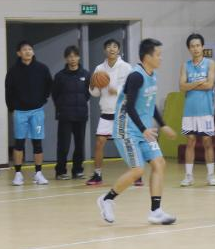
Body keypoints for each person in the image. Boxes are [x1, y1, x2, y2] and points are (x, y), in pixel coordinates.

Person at [97, 38, 177, 225]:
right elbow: (129, 106)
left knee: (159, 163)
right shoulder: (136, 76)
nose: (161, 58)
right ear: (147, 57)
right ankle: (107, 199)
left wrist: (163, 124)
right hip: (126, 130)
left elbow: (150, 103)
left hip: (143, 130)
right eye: (158, 55)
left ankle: (156, 211)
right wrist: (143, 129)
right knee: (138, 170)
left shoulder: (153, 75)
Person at [5, 41, 52, 185]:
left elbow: (49, 85)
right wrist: (12, 108)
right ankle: (18, 174)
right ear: (19, 53)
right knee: (19, 143)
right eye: (24, 49)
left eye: (30, 49)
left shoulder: (42, 68)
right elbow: (8, 92)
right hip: (20, 112)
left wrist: (42, 100)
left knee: (37, 143)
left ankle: (38, 173)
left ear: (33, 52)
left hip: (37, 112)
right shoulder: (13, 71)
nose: (27, 51)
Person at [87, 39, 132, 186]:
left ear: (118, 50)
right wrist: (92, 85)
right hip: (106, 112)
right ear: (104, 50)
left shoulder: (126, 67)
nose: (112, 49)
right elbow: (95, 93)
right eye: (108, 46)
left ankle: (136, 173)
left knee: (128, 144)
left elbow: (131, 88)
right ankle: (97, 174)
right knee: (99, 143)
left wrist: (117, 90)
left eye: (114, 46)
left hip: (122, 112)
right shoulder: (99, 68)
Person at [179, 33, 215, 187]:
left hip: (206, 110)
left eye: (198, 45)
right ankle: (188, 176)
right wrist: (199, 82)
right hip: (189, 110)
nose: (195, 48)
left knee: (207, 141)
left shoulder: (210, 63)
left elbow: (210, 85)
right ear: (189, 49)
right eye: (192, 46)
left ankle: (211, 175)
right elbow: (182, 87)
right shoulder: (185, 65)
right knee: (190, 141)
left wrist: (191, 84)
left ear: (202, 47)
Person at [52, 45, 90, 180]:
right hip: (65, 116)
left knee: (79, 145)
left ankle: (77, 170)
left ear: (79, 57)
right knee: (64, 145)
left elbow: (87, 94)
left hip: (81, 115)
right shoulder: (60, 76)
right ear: (66, 58)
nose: (72, 59)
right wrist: (61, 108)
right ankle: (60, 171)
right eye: (69, 56)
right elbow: (55, 95)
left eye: (75, 56)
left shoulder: (86, 74)